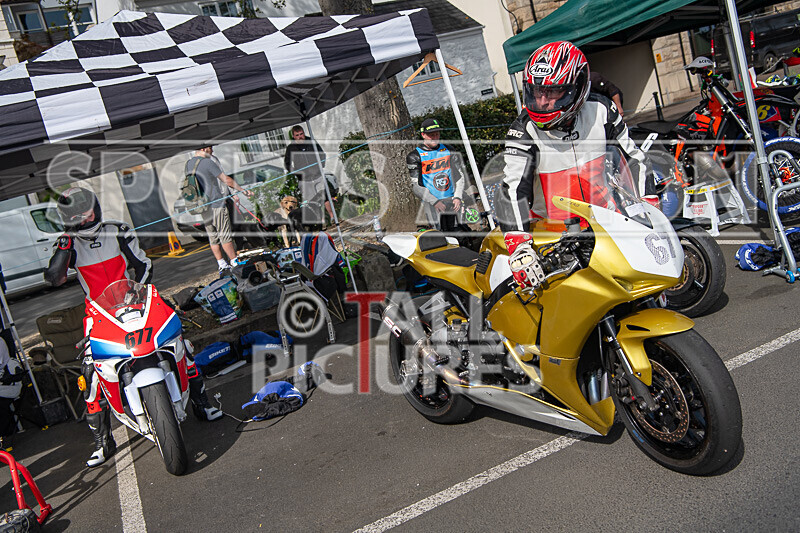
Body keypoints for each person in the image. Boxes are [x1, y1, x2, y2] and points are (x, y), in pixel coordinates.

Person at [44, 187, 223, 469]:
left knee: (181, 345)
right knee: (90, 372)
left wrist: (137, 292)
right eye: (75, 213)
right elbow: (53, 278)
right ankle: (103, 442)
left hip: (134, 299)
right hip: (98, 310)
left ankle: (202, 404)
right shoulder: (67, 243)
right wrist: (65, 247)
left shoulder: (117, 230)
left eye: (87, 209)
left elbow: (143, 265)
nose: (84, 217)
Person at [495, 41, 656, 287]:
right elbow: (514, 188)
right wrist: (519, 245)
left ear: (577, 87)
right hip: (553, 236)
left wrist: (649, 206)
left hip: (607, 224)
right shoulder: (523, 129)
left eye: (553, 91)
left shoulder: (603, 109)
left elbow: (634, 158)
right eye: (536, 91)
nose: (543, 101)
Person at [186, 146, 254, 275]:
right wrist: (242, 190)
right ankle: (234, 261)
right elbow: (226, 179)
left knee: (213, 236)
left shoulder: (189, 163)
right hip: (216, 203)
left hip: (203, 205)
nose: (212, 152)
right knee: (225, 235)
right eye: (211, 149)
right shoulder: (207, 162)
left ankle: (221, 264)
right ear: (205, 148)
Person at [406, 118, 466, 232]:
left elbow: (459, 176)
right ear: (423, 135)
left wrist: (458, 197)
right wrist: (435, 202)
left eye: (437, 134)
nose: (434, 137)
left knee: (458, 231)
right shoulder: (414, 156)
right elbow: (416, 186)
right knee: (440, 233)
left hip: (452, 200)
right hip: (432, 203)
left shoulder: (449, 150)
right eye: (431, 135)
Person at [283, 126, 334, 224]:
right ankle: (321, 221)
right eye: (297, 135)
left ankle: (332, 217)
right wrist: (297, 173)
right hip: (304, 179)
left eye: (301, 134)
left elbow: (322, 154)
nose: (300, 137)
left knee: (325, 197)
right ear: (293, 136)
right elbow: (287, 164)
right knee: (312, 202)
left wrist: (321, 165)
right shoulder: (290, 148)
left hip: (317, 175)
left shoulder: (312, 142)